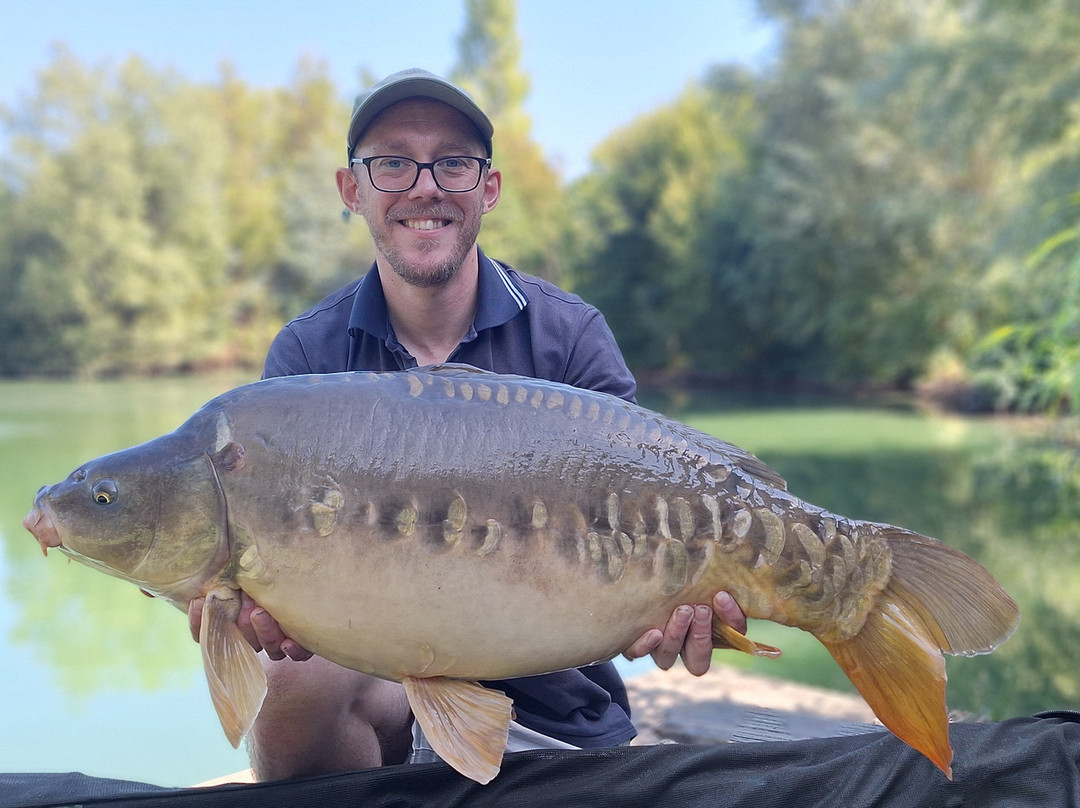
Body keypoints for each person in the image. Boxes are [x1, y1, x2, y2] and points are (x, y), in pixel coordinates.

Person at [188, 68, 747, 781]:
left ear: (488, 188)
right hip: (378, 692)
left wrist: (677, 603)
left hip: (557, 701)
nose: (425, 185)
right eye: (392, 162)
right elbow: (255, 591)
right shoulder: (306, 359)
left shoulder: (570, 336)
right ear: (351, 189)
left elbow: (639, 523)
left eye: (452, 161)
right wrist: (232, 611)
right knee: (291, 680)